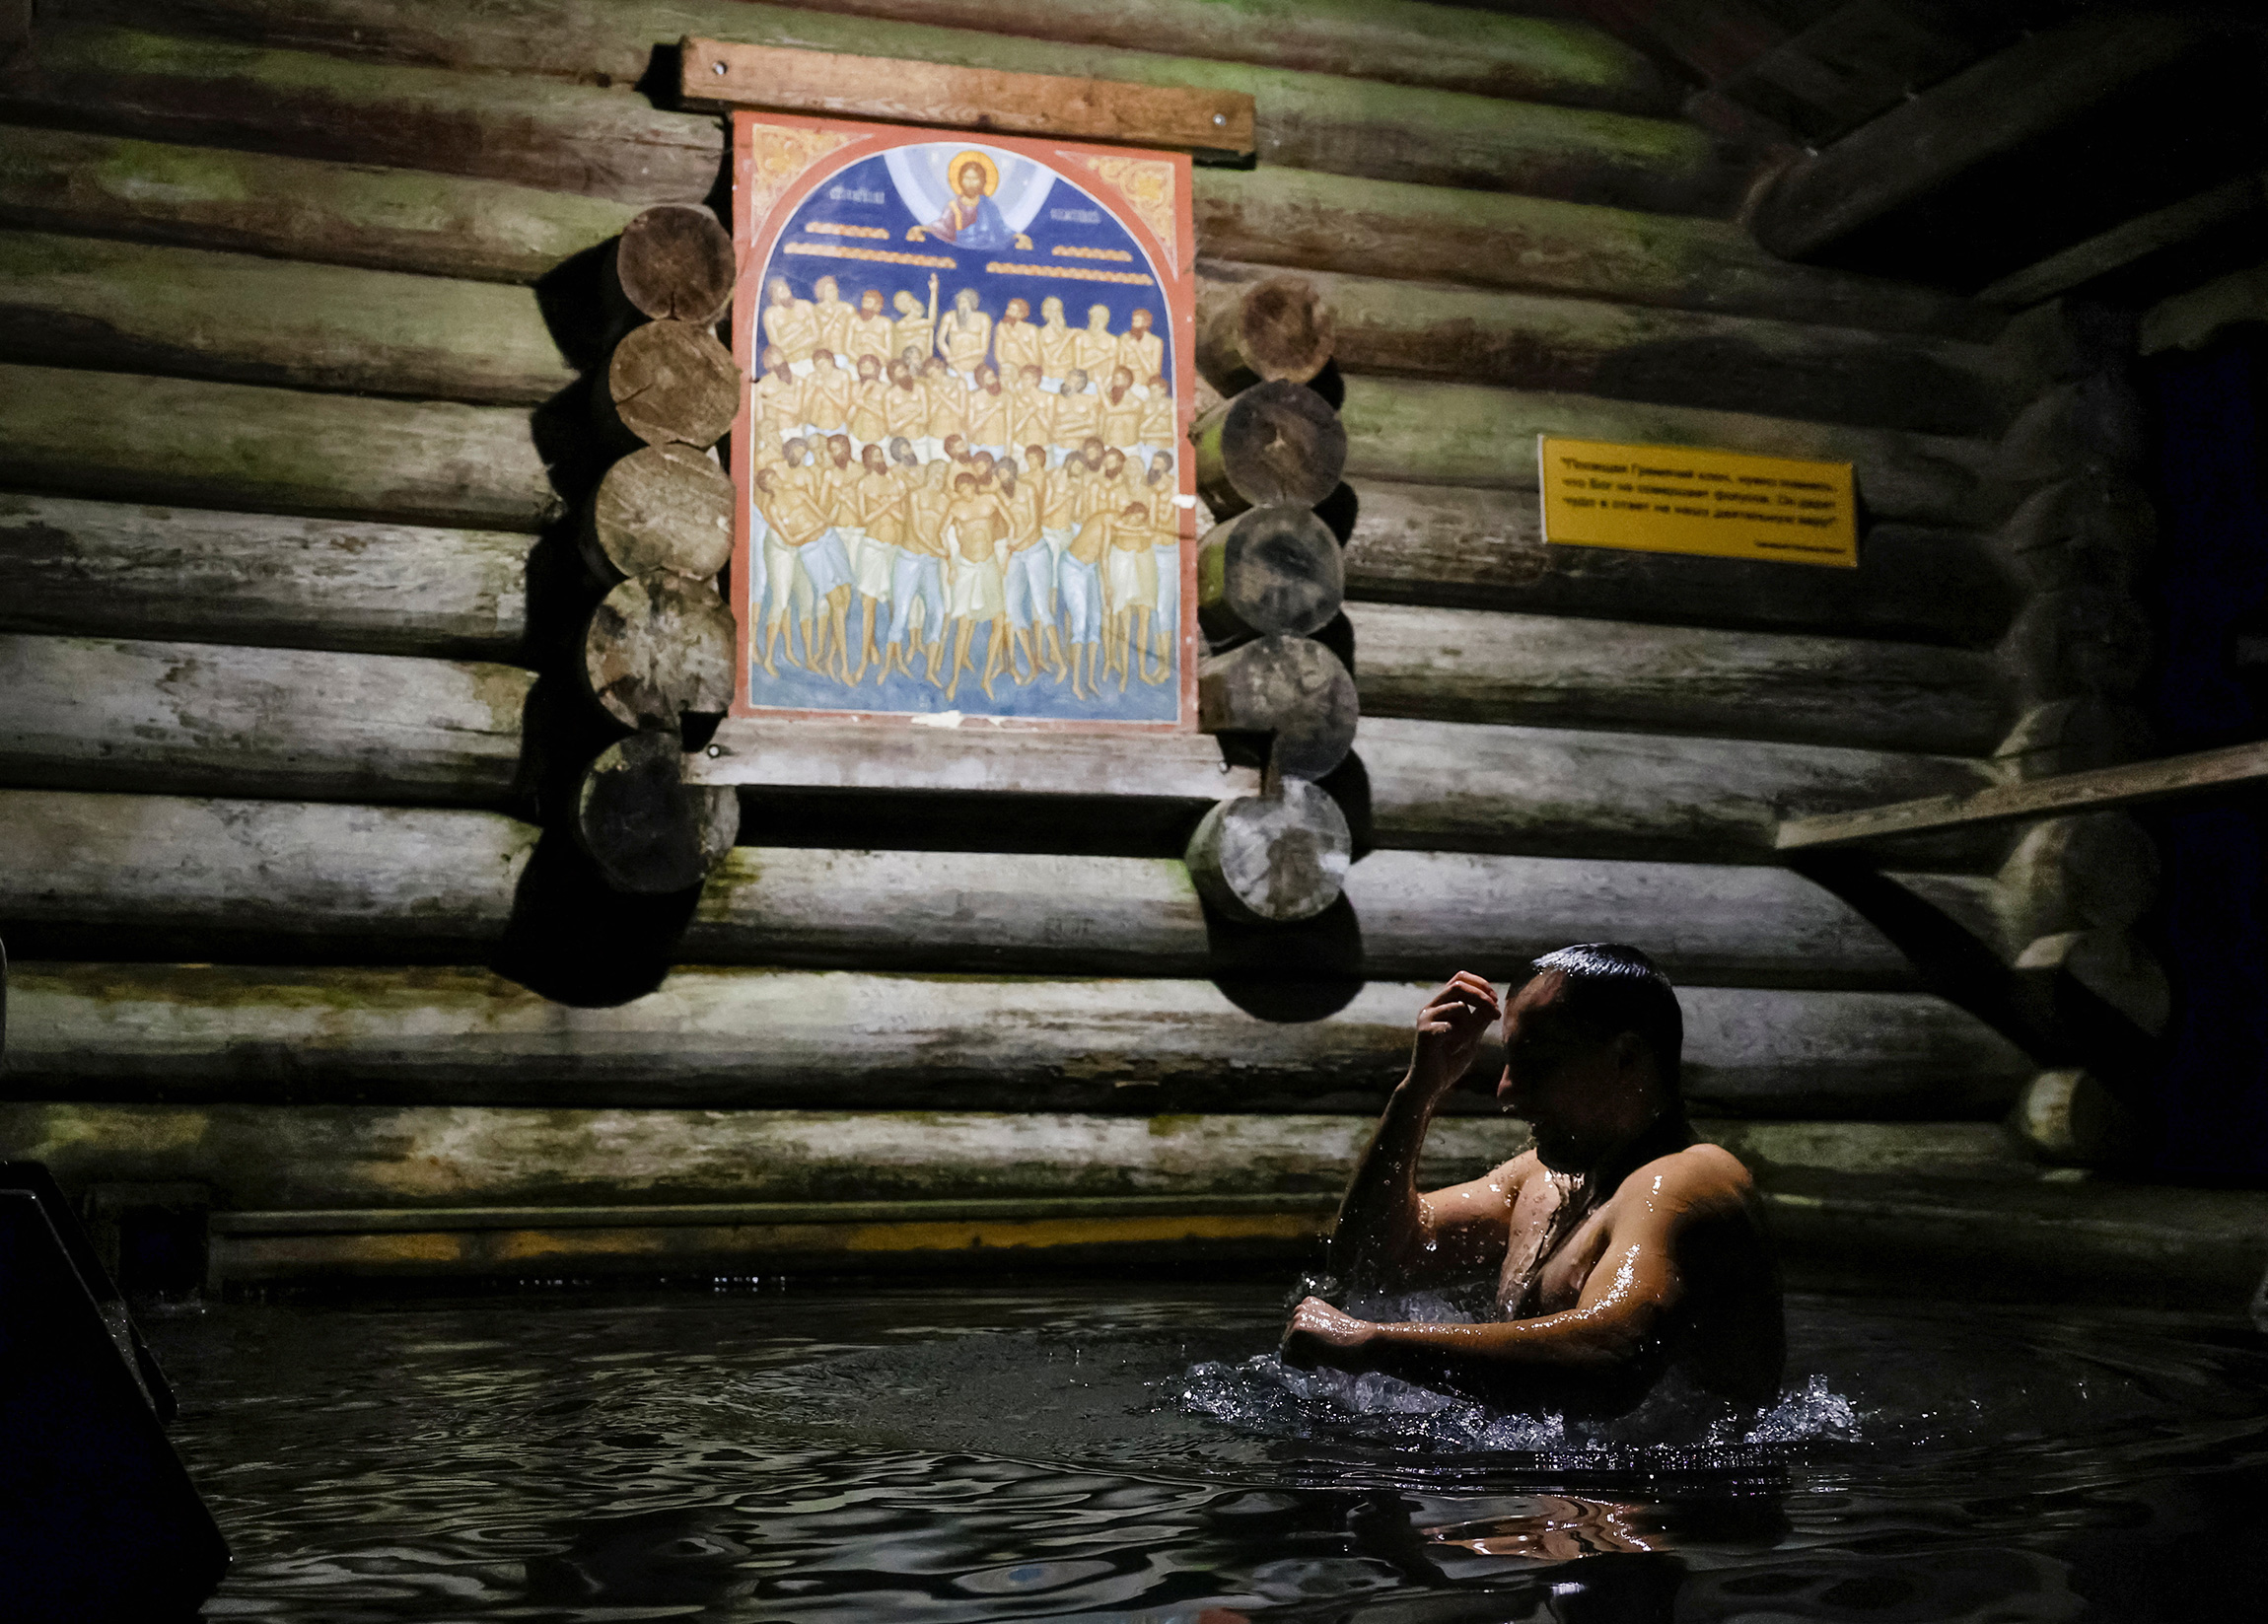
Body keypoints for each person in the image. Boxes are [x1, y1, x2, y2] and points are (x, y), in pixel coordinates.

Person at [1281, 946, 1786, 1415]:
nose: (1506, 1091)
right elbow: (1372, 1263)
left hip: (1674, 1504)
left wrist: (1375, 1343)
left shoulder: (1689, 1181)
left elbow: (1611, 1356)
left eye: (1536, 1062)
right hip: (1564, 1493)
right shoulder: (1541, 1182)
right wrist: (1418, 1092)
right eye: (1508, 1060)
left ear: (1625, 1059)